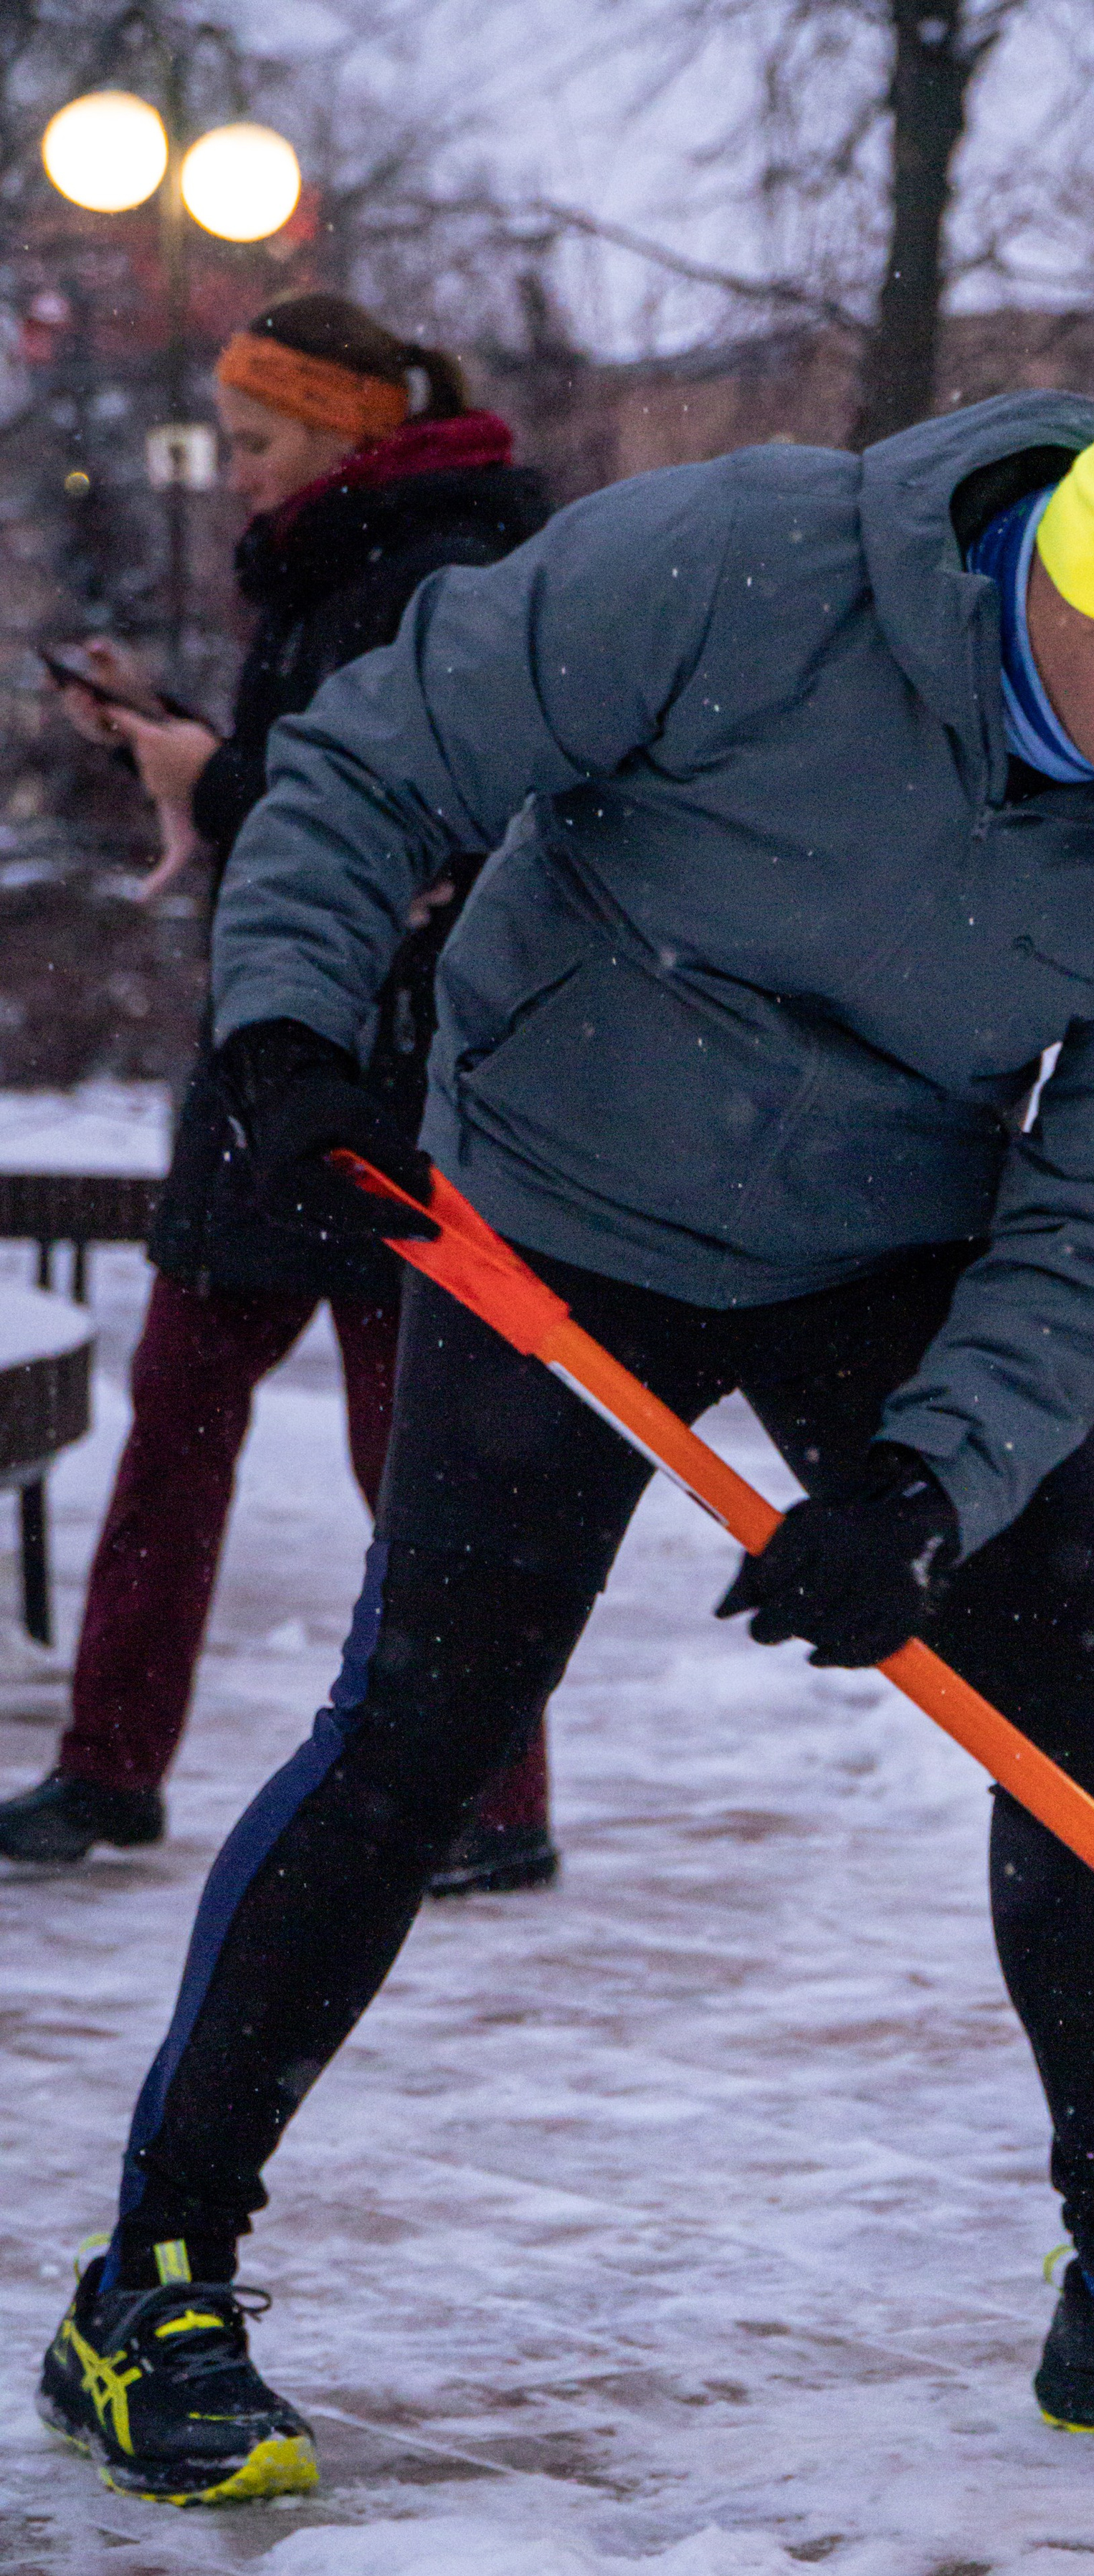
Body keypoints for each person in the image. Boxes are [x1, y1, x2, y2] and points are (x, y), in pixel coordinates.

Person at [37, 362, 1094, 2509]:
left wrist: (927, 1479)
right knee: (426, 1730)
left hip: (896, 1240)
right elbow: (373, 766)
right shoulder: (742, 569)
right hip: (564, 1201)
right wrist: (292, 1032)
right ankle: (153, 2283)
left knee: (1081, 1725)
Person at [0, 292, 554, 1897]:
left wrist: (208, 775)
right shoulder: (339, 566)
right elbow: (312, 804)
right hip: (284, 1065)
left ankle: (493, 1803)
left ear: (343, 431)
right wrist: (173, 744)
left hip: (385, 1082)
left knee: (416, 1462)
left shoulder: (427, 574)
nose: (232, 468)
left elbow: (405, 832)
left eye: (253, 439)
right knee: (192, 1426)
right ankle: (112, 1772)